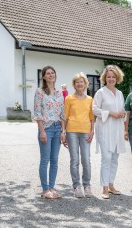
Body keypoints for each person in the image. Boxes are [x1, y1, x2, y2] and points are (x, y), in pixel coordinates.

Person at [93, 65, 126, 199]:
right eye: (108, 77)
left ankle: (111, 185)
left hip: (117, 129)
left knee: (114, 158)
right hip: (105, 129)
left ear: (117, 78)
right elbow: (94, 109)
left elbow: (122, 110)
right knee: (106, 158)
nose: (111, 79)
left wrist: (122, 113)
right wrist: (110, 113)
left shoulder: (120, 93)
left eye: (113, 76)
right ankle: (104, 188)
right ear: (104, 78)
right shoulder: (100, 92)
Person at [33, 65, 67, 200]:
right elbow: (37, 113)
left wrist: (63, 131)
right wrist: (42, 131)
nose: (51, 75)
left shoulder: (59, 93)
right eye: (48, 73)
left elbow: (62, 113)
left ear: (55, 75)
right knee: (45, 159)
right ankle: (45, 189)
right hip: (46, 128)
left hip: (58, 127)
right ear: (43, 76)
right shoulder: (40, 92)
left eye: (53, 73)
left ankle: (52, 188)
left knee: (54, 160)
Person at [64, 72, 95, 198]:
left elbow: (92, 117)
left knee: (86, 160)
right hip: (72, 131)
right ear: (74, 85)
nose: (79, 84)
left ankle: (87, 185)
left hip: (85, 131)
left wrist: (92, 131)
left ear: (85, 84)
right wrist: (64, 132)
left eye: (82, 82)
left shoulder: (90, 100)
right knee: (75, 160)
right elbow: (65, 116)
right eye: (77, 82)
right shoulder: (69, 98)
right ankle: (76, 186)